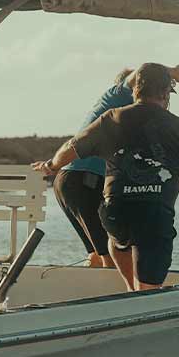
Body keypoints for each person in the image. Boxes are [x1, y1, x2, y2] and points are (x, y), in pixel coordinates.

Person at [33, 63, 179, 291]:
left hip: (104, 199)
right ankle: (131, 299)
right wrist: (172, 71)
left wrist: (51, 166)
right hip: (85, 182)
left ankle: (128, 291)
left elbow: (141, 168)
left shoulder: (118, 119)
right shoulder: (123, 101)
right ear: (162, 92)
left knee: (111, 244)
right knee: (139, 274)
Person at [53, 69, 135, 268]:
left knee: (97, 255)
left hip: (75, 182)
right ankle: (121, 296)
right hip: (82, 182)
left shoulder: (126, 117)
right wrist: (172, 72)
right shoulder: (119, 95)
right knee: (111, 255)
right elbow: (140, 74)